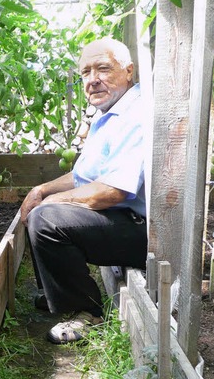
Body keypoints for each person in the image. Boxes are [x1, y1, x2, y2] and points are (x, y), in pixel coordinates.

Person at [20, 37, 150, 344]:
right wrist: (42, 189)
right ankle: (58, 293)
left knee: (47, 219)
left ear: (128, 71)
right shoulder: (109, 114)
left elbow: (112, 192)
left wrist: (50, 202)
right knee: (41, 206)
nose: (92, 80)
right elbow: (84, 177)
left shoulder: (137, 115)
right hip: (123, 220)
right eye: (85, 72)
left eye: (103, 69)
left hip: (146, 233)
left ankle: (86, 313)